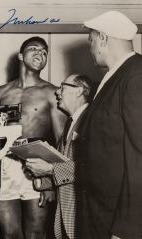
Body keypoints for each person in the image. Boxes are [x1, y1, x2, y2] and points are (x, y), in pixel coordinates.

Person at [81, 11, 142, 239]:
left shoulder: (137, 78)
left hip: (122, 224)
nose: (90, 48)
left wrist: (126, 230)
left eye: (91, 41)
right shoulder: (119, 76)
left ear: (102, 38)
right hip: (104, 213)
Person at [0, 36, 66, 238]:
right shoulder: (0, 92)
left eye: (44, 51)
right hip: (4, 164)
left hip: (36, 165)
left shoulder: (51, 92)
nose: (40, 53)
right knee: (8, 233)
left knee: (36, 233)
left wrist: (51, 180)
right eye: (34, 48)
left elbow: (60, 140)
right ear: (21, 56)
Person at [25, 74, 92, 239]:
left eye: (63, 87)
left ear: (79, 91)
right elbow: (64, 165)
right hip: (67, 213)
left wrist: (49, 169)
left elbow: (91, 167)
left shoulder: (92, 121)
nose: (57, 92)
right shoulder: (71, 122)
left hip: (84, 214)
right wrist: (41, 180)